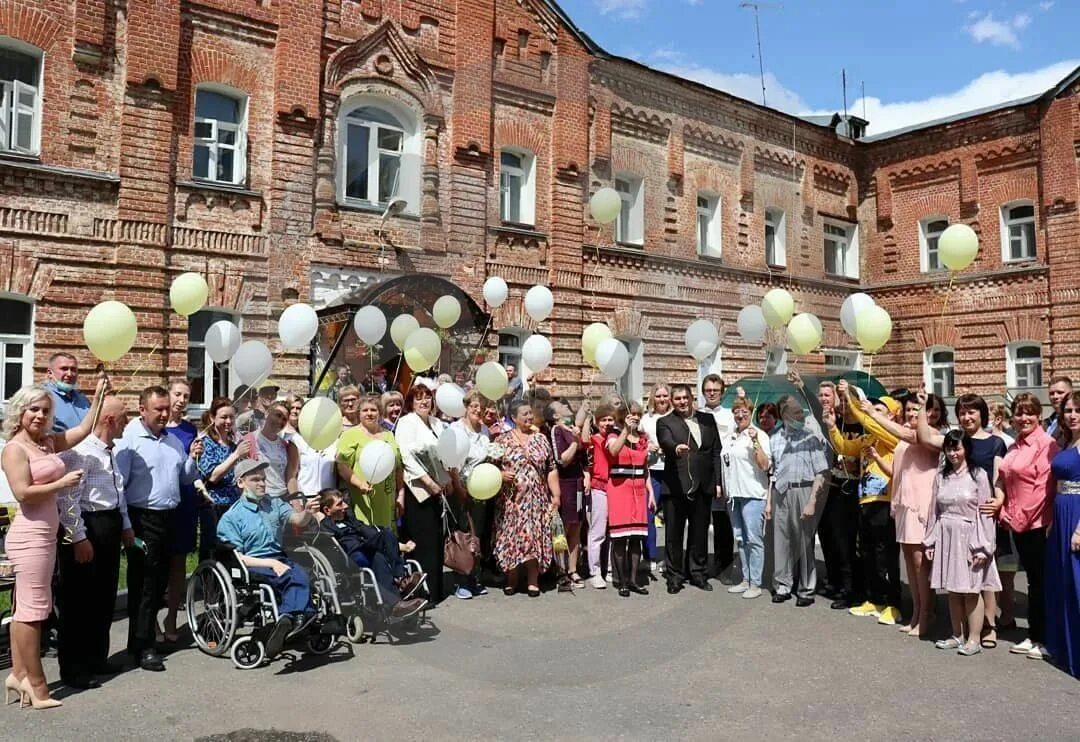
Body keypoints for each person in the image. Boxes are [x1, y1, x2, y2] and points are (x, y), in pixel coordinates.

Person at [2, 379, 106, 708]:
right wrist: (61, 482)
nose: (39, 415)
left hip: (46, 536)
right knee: (32, 613)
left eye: (45, 411)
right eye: (33, 409)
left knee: (28, 609)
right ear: (20, 412)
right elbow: (22, 493)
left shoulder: (46, 443)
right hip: (29, 536)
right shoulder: (14, 449)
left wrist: (100, 393)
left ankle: (18, 675)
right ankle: (36, 684)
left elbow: (84, 430)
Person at [115, 385, 200, 672]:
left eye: (167, 408)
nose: (165, 414)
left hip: (169, 517)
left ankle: (139, 641)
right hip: (142, 520)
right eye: (158, 409)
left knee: (159, 580)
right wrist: (126, 525)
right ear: (142, 410)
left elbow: (185, 478)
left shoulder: (172, 441)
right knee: (145, 584)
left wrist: (193, 458)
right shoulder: (130, 441)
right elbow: (119, 487)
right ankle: (145, 647)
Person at [917, 392, 1008, 646]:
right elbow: (923, 436)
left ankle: (985, 630)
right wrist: (924, 404)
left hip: (979, 517)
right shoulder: (952, 446)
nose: (967, 417)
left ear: (982, 414)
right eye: (962, 412)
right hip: (951, 526)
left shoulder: (994, 443)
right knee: (956, 587)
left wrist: (999, 500)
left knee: (979, 583)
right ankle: (958, 634)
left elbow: (1000, 478)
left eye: (972, 412)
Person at [56, 394, 133, 689]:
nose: (127, 422)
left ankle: (96, 658)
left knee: (103, 595)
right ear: (110, 420)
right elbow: (68, 499)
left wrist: (125, 526)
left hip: (109, 523)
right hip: (88, 526)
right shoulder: (81, 452)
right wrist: (78, 538)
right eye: (124, 416)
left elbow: (118, 493)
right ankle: (74, 669)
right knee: (78, 601)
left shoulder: (109, 451)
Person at [216, 459, 315, 657]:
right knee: (291, 576)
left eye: (263, 479)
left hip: (278, 557)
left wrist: (308, 512)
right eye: (255, 480)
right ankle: (297, 618)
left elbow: (297, 520)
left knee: (302, 573)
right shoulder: (231, 517)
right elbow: (238, 558)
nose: (262, 483)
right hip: (253, 564)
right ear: (241, 483)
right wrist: (270, 562)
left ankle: (290, 620)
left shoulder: (275, 503)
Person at [925, 431, 1001, 656]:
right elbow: (933, 512)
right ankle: (956, 635)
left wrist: (983, 546)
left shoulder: (978, 474)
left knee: (970, 590)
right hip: (946, 535)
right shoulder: (941, 476)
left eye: (957, 448)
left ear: (966, 449)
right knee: (953, 590)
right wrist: (930, 542)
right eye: (949, 449)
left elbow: (985, 514)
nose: (953, 453)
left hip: (970, 537)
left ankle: (974, 639)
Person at [831, 391, 903, 625]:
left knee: (886, 556)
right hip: (865, 502)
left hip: (884, 502)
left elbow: (873, 423)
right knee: (869, 554)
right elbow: (844, 447)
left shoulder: (892, 437)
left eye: (880, 411)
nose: (874, 415)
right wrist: (832, 426)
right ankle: (875, 599)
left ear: (892, 416)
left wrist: (854, 404)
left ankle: (894, 603)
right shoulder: (868, 439)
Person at [998, 392, 1059, 661]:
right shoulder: (1015, 446)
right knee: (1034, 581)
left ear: (1039, 416)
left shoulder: (1047, 445)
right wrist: (1003, 512)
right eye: (1019, 413)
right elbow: (1006, 480)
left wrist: (1017, 519)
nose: (1023, 418)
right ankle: (1035, 634)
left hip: (1036, 524)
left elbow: (1043, 490)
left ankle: (1042, 637)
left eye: (1029, 413)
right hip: (1016, 522)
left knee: (1039, 582)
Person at [316, 490, 426, 620]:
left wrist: (399, 546)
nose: (345, 506)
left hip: (365, 546)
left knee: (385, 538)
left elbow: (367, 531)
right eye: (340, 504)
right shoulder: (325, 526)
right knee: (376, 552)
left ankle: (399, 586)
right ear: (327, 510)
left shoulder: (349, 518)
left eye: (344, 502)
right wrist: (316, 514)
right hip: (351, 555)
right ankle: (400, 587)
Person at [656, 383, 723, 594]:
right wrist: (675, 448)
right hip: (675, 488)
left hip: (703, 486)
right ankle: (674, 576)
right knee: (673, 535)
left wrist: (718, 482)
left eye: (685, 398)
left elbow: (715, 452)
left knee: (699, 534)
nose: (682, 402)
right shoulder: (665, 422)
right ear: (672, 402)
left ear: (692, 398)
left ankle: (698, 574)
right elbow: (665, 441)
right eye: (677, 399)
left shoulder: (707, 419)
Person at [766, 395, 829, 606]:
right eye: (796, 412)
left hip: (803, 490)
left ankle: (806, 589)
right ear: (784, 415)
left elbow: (820, 472)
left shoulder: (810, 438)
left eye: (801, 412)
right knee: (781, 542)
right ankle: (782, 586)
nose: (801, 416)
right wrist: (769, 500)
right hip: (781, 492)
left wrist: (812, 501)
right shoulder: (774, 438)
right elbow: (771, 472)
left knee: (804, 542)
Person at [494, 400, 559, 596]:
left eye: (530, 413)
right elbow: (489, 467)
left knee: (534, 537)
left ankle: (533, 579)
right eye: (524, 414)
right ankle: (512, 578)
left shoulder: (541, 439)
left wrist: (556, 495)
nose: (529, 417)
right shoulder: (501, 440)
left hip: (536, 500)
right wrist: (501, 475)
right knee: (510, 537)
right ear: (513, 418)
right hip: (510, 501)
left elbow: (551, 469)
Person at [395, 383, 452, 602]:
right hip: (418, 489)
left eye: (427, 397)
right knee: (422, 539)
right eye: (418, 398)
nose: (424, 402)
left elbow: (446, 453)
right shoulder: (406, 423)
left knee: (437, 538)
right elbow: (407, 457)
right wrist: (429, 483)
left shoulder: (438, 423)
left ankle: (435, 589)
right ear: (411, 402)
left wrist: (446, 480)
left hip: (439, 488)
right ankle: (419, 589)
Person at [162, 378, 207, 646]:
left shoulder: (191, 430)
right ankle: (152, 620)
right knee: (156, 565)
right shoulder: (152, 427)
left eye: (186, 396)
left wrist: (195, 455)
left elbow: (192, 470)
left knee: (178, 563)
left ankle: (171, 618)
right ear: (167, 395)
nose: (181, 400)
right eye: (177, 394)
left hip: (185, 501)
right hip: (159, 501)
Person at [722, 397, 771, 600]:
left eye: (744, 411)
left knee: (753, 540)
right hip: (734, 495)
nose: (740, 415)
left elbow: (764, 465)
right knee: (740, 539)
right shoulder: (730, 436)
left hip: (753, 494)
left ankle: (756, 583)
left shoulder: (759, 435)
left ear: (750, 413)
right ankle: (745, 578)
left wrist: (755, 441)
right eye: (736, 411)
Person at [1046, 390, 1080, 678]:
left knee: (1077, 583)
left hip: (1077, 515)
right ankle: (1066, 647)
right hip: (1061, 513)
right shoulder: (1068, 440)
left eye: (1078, 410)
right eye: (1068, 410)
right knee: (1063, 581)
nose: (1072, 415)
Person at [603, 402, 652, 597]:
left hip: (639, 489)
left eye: (638, 414)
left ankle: (633, 580)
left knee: (637, 537)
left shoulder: (642, 438)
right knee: (620, 537)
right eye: (631, 414)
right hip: (619, 489)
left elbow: (646, 468)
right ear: (623, 416)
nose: (635, 417)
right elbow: (613, 451)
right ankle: (621, 580)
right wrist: (625, 430)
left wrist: (651, 494)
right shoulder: (614, 434)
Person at [450, 392, 497, 595]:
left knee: (479, 534)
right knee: (464, 535)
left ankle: (474, 577)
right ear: (466, 407)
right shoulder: (456, 429)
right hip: (462, 488)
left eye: (482, 407)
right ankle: (461, 580)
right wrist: (459, 489)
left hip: (483, 490)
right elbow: (451, 463)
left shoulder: (485, 430)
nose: (478, 410)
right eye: (474, 406)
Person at [337, 395, 403, 530]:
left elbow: (398, 467)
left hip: (387, 500)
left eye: (373, 410)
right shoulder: (350, 435)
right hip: (362, 498)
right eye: (365, 410)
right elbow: (342, 466)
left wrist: (400, 495)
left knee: (388, 540)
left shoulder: (389, 435)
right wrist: (360, 484)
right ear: (358, 413)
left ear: (380, 412)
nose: (369, 413)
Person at [547, 398, 588, 590]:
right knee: (561, 530)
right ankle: (561, 571)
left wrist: (585, 408)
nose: (566, 406)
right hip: (565, 485)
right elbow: (562, 459)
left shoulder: (571, 430)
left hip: (578, 483)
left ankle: (573, 569)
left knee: (576, 528)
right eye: (562, 406)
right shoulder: (557, 431)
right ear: (555, 415)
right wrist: (575, 442)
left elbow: (583, 453)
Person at [700, 374, 736, 580]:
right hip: (702, 473)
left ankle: (724, 566)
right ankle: (701, 565)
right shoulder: (697, 414)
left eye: (715, 390)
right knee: (701, 522)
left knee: (723, 523)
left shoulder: (730, 416)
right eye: (708, 390)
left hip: (724, 471)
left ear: (722, 392)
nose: (712, 393)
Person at [196, 397, 246, 512]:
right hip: (214, 505)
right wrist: (236, 454)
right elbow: (213, 477)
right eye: (224, 417)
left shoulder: (233, 445)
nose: (228, 421)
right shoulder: (205, 443)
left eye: (231, 417)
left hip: (235, 505)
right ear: (212, 417)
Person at [641, 384, 671, 576]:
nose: (662, 399)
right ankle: (649, 556)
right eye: (658, 395)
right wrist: (647, 445)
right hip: (652, 470)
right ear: (653, 398)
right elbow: (638, 441)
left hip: (672, 471)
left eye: (665, 395)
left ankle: (670, 558)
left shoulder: (675, 416)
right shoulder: (646, 419)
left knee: (672, 517)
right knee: (649, 513)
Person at [243, 401, 300, 500]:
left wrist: (296, 504)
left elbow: (291, 478)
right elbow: (242, 475)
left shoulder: (286, 446)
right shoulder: (249, 440)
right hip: (260, 499)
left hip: (282, 499)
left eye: (284, 419)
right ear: (267, 413)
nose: (280, 421)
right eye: (278, 415)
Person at [586, 403, 616, 589]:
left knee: (615, 532)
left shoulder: (616, 437)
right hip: (599, 486)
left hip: (616, 486)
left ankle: (611, 568)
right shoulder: (594, 439)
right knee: (598, 531)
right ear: (597, 423)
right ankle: (595, 571)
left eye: (610, 419)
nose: (607, 423)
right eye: (603, 419)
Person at [44, 352, 92, 433]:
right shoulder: (42, 397)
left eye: (73, 369)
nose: (69, 374)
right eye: (64, 369)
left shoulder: (83, 399)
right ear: (50, 373)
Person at [1045, 375, 1073, 440]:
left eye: (1060, 392)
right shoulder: (1046, 423)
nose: (1055, 396)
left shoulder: (1075, 421)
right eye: (1051, 393)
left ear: (1071, 393)